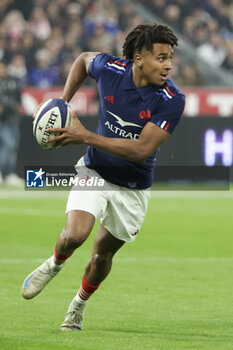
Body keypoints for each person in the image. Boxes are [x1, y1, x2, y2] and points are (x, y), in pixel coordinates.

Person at [21, 23, 185, 331]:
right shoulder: (110, 68)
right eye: (161, 57)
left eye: (170, 58)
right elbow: (83, 59)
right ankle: (54, 264)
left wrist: (84, 136)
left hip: (133, 187)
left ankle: (78, 304)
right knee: (75, 236)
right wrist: (63, 101)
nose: (169, 65)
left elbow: (140, 150)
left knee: (101, 256)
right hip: (95, 170)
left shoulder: (171, 99)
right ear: (138, 58)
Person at [0, 60, 24, 186]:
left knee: (14, 146)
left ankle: (9, 173)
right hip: (2, 119)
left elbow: (18, 98)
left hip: (13, 118)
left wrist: (17, 106)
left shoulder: (11, 82)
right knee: (8, 144)